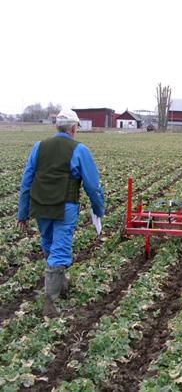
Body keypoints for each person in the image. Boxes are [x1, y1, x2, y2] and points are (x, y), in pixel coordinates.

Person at [17, 108, 105, 317]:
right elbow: (93, 185)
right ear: (74, 128)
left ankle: (60, 284)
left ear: (57, 126)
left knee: (48, 243)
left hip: (40, 205)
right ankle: (50, 299)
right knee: (61, 247)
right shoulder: (79, 149)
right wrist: (98, 209)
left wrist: (23, 213)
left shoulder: (39, 147)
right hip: (65, 205)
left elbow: (26, 181)